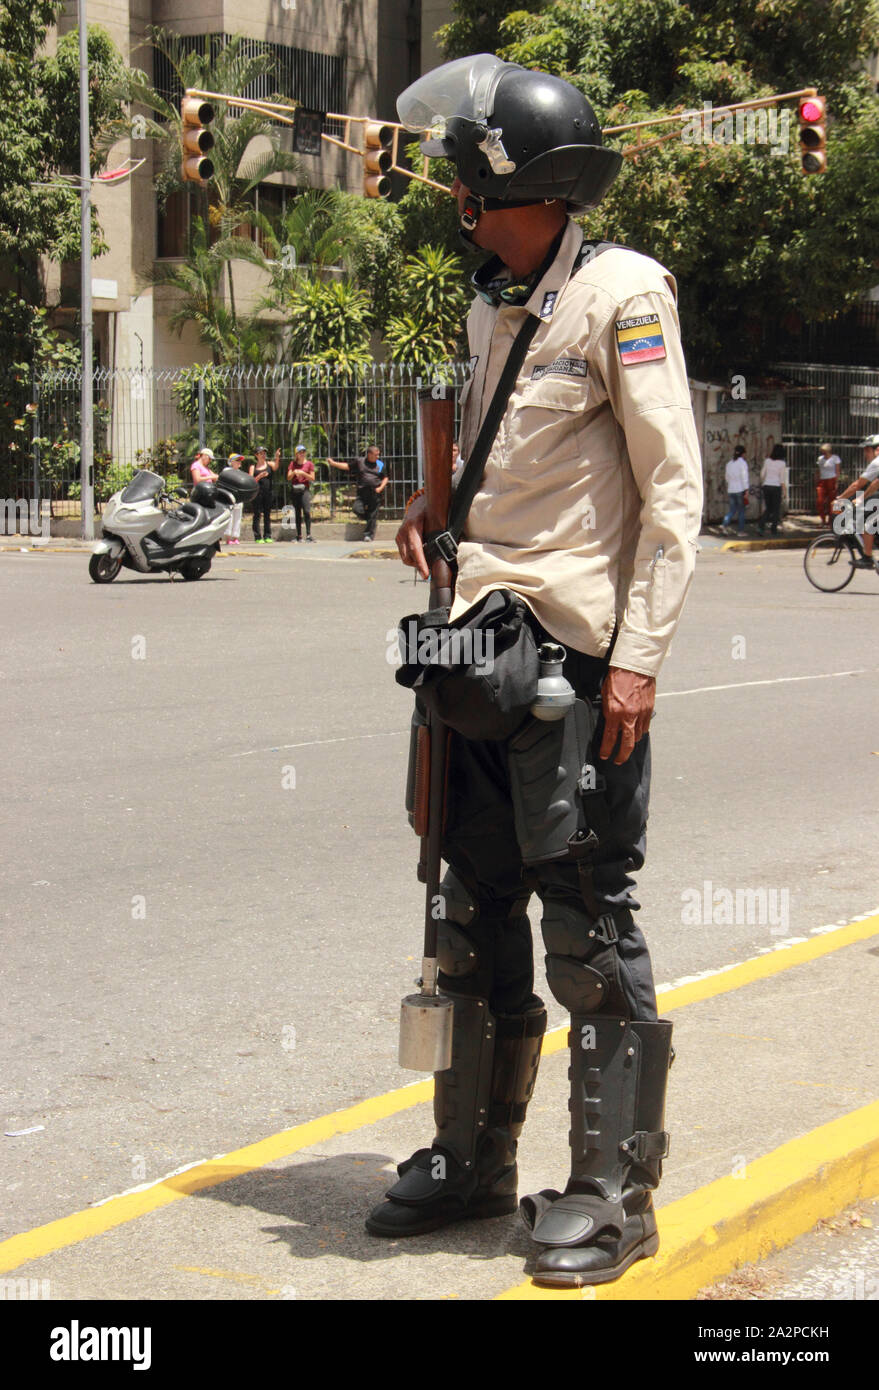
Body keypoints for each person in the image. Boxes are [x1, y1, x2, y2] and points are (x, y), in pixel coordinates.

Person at [365, 54, 703, 1289]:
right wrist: (435, 502)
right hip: (475, 645)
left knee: (587, 921)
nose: (454, 198)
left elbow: (674, 490)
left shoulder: (624, 294)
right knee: (467, 908)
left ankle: (616, 1191)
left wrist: (640, 660)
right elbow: (510, 463)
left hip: (574, 657)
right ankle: (474, 1161)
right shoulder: (493, 302)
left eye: (466, 179)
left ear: (515, 188)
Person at [833, 434, 879, 569]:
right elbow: (875, 484)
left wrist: (840, 498)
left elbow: (857, 485)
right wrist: (861, 498)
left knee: (866, 521)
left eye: (867, 450)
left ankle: (867, 558)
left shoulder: (876, 463)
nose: (865, 453)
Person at [325, 445, 389, 541]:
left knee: (373, 513)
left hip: (375, 492)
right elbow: (347, 466)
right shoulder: (360, 462)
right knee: (356, 509)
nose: (378, 457)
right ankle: (369, 519)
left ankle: (368, 535)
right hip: (362, 491)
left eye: (378, 455)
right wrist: (333, 463)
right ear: (369, 454)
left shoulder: (380, 464)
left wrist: (380, 488)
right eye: (376, 455)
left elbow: (385, 478)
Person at [249, 446, 280, 544]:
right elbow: (250, 481)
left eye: (264, 453)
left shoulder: (269, 464)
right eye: (261, 453)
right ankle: (257, 536)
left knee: (267, 514)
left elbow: (275, 467)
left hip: (268, 493)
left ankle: (267, 535)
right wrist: (259, 476)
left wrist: (277, 457)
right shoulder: (253, 467)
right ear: (256, 455)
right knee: (257, 514)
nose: (263, 455)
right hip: (257, 494)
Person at [286, 444, 316, 542]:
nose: (302, 454)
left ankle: (308, 534)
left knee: (307, 511)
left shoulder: (309, 464)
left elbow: (312, 478)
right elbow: (288, 477)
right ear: (296, 454)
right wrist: (294, 472)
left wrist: (303, 473)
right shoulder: (292, 464)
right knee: (297, 513)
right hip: (295, 490)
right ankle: (299, 535)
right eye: (300, 452)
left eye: (303, 452)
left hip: (304, 490)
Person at [758, 444, 787, 536]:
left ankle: (761, 526)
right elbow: (782, 479)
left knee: (768, 508)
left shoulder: (767, 461)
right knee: (776, 509)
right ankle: (773, 529)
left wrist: (764, 482)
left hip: (766, 486)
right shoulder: (782, 464)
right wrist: (784, 491)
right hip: (776, 487)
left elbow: (762, 474)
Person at [722, 445, 749, 535]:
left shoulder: (729, 464)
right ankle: (740, 531)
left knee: (732, 510)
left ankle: (724, 525)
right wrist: (746, 490)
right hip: (740, 489)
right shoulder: (742, 463)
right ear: (743, 454)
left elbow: (727, 478)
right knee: (741, 511)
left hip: (731, 489)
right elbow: (744, 477)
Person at [815, 442, 841, 528]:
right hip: (822, 481)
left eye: (824, 451)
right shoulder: (820, 459)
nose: (823, 453)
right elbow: (818, 470)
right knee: (820, 501)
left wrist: (836, 482)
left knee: (832, 501)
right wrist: (817, 480)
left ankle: (831, 521)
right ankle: (823, 520)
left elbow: (837, 471)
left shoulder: (835, 458)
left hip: (831, 480)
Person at [223, 453, 246, 545]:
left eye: (240, 461)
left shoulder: (240, 473)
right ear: (231, 462)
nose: (239, 463)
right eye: (237, 461)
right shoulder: (227, 471)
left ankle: (235, 537)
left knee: (237, 517)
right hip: (230, 498)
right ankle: (228, 537)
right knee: (230, 517)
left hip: (238, 498)